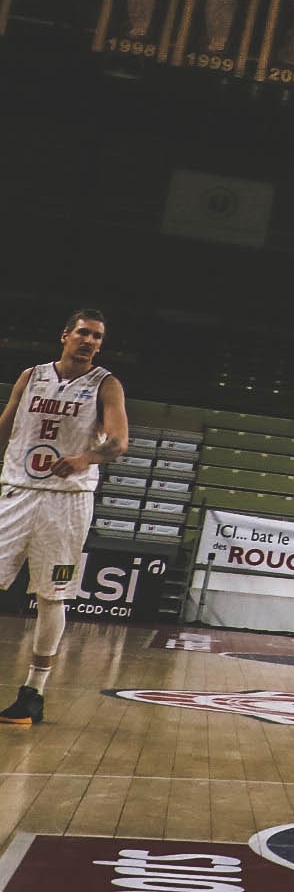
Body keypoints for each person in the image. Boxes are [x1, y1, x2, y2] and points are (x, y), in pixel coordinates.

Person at [0, 309, 128, 728]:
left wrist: (85, 458)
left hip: (67, 501)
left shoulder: (105, 384)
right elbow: (6, 425)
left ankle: (33, 692)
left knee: (53, 595)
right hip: (18, 490)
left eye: (97, 337)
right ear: (65, 336)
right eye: (84, 333)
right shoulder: (31, 375)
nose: (90, 341)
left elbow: (119, 441)